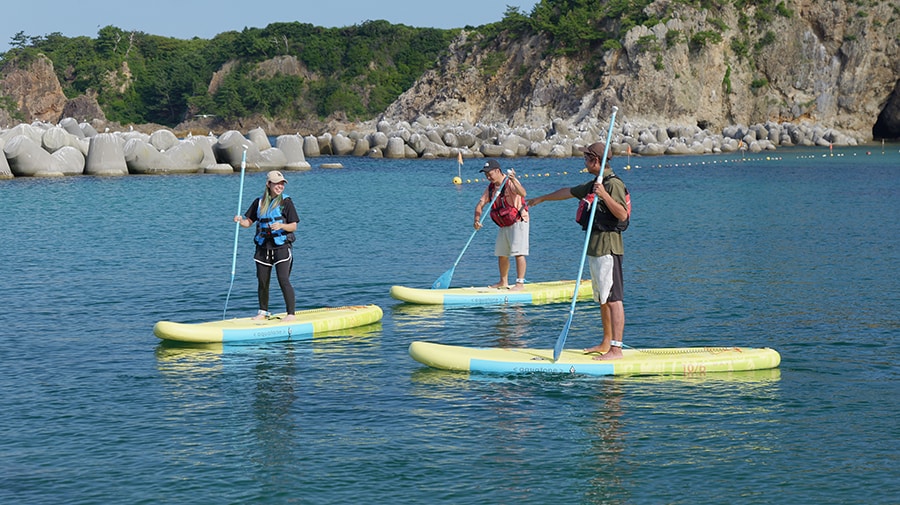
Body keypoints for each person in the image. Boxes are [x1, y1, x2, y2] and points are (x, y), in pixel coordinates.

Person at [527, 142, 629, 359]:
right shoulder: (595, 183)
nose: (583, 162)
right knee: (602, 298)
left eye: (586, 158)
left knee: (613, 299)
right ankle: (605, 342)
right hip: (595, 249)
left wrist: (604, 195)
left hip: (608, 248)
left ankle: (616, 349)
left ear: (595, 160)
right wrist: (542, 198)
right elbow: (569, 192)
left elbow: (622, 214)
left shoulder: (613, 184)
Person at [234, 170, 300, 321]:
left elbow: (293, 226)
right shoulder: (258, 202)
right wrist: (239, 221)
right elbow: (248, 222)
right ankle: (263, 312)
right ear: (268, 184)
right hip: (263, 248)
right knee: (262, 281)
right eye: (277, 183)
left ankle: (291, 314)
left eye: (282, 183)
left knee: (283, 279)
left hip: (282, 247)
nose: (280, 186)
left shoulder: (286, 202)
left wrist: (281, 226)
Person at [474, 159, 529, 290]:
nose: (488, 177)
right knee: (502, 253)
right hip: (504, 224)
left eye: (490, 174)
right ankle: (503, 282)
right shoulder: (491, 188)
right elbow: (480, 204)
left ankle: (520, 284)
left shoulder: (509, 182)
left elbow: (523, 193)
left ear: (498, 171)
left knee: (518, 253)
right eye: (485, 174)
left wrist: (514, 180)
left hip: (518, 221)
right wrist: (476, 220)